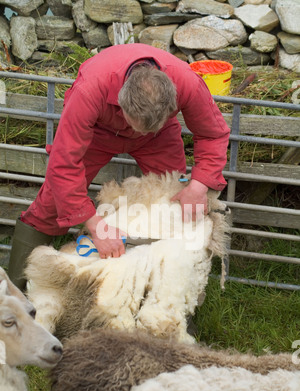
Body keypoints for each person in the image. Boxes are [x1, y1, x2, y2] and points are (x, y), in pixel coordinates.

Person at [8, 43, 230, 289]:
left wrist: (199, 185)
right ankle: (12, 296)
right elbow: (64, 163)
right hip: (98, 133)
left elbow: (213, 133)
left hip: (158, 136)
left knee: (172, 203)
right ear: (122, 102)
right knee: (50, 204)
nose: (135, 132)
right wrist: (96, 226)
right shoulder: (90, 89)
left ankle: (172, 297)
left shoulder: (187, 82)